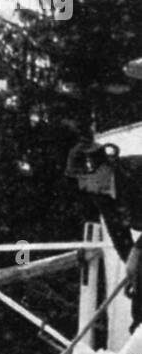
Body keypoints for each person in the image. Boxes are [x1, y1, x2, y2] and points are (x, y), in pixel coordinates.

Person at [66, 138, 142, 328]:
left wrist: (137, 253)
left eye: (83, 179)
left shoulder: (136, 173)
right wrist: (134, 272)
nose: (81, 186)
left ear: (100, 170)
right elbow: (119, 235)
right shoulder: (101, 194)